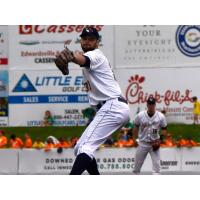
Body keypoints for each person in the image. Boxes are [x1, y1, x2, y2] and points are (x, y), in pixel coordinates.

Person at [56, 27, 130, 175]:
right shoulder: (90, 57)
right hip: (111, 108)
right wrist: (72, 58)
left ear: (97, 42)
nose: (87, 41)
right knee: (80, 148)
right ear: (81, 40)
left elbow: (82, 59)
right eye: (84, 38)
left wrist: (71, 56)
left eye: (91, 39)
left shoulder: (96, 55)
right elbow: (81, 59)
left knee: (85, 148)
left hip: (112, 106)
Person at [132, 97, 167, 175]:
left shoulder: (160, 116)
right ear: (147, 105)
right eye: (149, 104)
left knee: (157, 167)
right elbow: (135, 127)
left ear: (155, 105)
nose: (151, 106)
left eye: (152, 104)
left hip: (154, 143)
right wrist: (134, 139)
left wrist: (160, 140)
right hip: (143, 143)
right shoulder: (140, 115)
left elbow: (164, 129)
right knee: (137, 166)